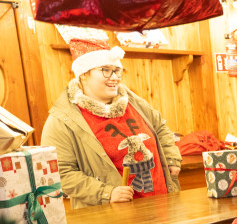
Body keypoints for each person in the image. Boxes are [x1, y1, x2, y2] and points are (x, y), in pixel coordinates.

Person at [41, 38, 181, 208]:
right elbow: (61, 173)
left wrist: (172, 157)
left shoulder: (132, 101)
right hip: (115, 216)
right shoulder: (62, 119)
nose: (114, 77)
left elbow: (160, 127)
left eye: (117, 70)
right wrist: (106, 193)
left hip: (162, 206)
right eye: (106, 70)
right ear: (83, 74)